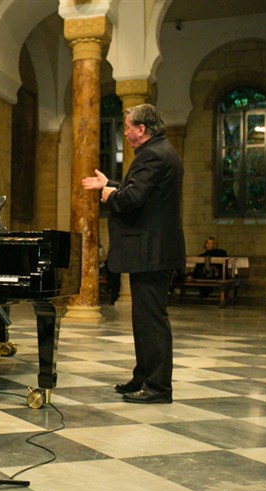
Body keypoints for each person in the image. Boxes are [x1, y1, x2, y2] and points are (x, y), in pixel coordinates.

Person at [82, 103, 185, 404]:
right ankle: (143, 377)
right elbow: (142, 191)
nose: (124, 132)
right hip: (152, 250)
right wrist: (111, 184)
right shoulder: (160, 152)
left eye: (127, 127)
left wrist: (110, 194)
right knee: (144, 319)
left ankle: (158, 387)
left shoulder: (153, 155)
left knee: (151, 319)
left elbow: (133, 199)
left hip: (151, 250)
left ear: (142, 129)